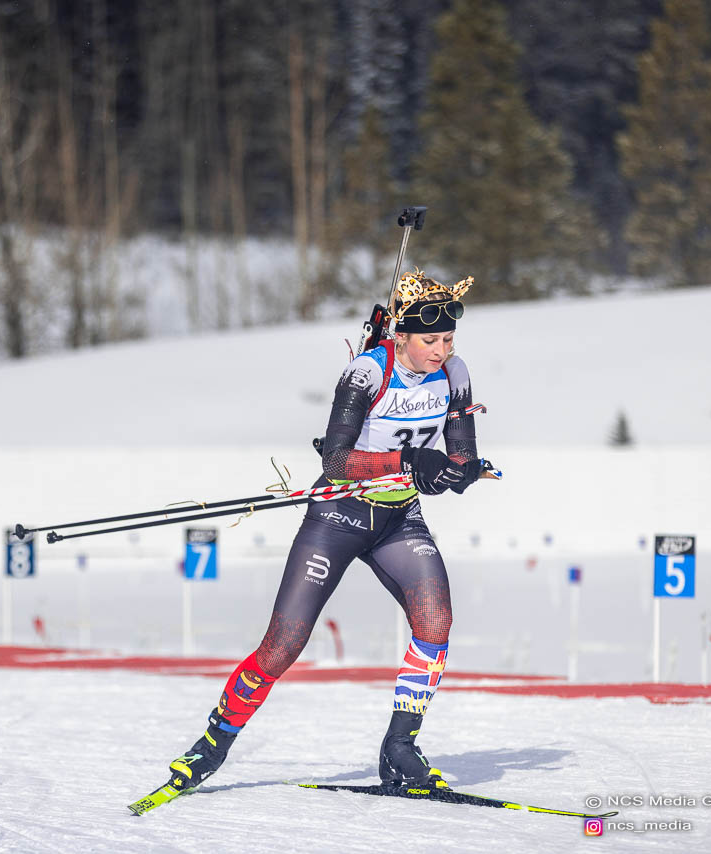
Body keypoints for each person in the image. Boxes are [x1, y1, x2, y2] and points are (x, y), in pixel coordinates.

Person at [164, 270, 487, 794]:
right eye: (430, 340)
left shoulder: (455, 372)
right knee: (283, 645)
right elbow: (335, 461)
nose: (441, 350)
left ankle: (400, 748)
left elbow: (461, 452)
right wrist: (409, 460)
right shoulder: (367, 371)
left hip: (398, 517)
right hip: (339, 514)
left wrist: (459, 472)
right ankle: (212, 744)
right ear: (401, 335)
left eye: (449, 339)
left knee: (435, 622)